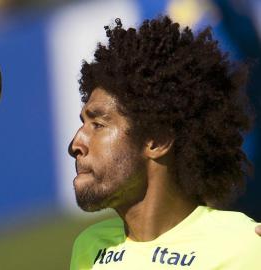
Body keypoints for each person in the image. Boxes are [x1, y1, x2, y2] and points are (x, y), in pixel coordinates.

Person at [68, 16, 261, 269]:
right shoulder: (89, 248)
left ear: (157, 141)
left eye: (98, 125)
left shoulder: (243, 247)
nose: (75, 144)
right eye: (83, 124)